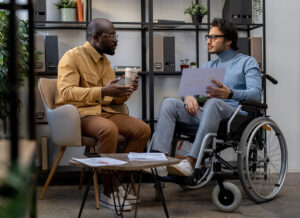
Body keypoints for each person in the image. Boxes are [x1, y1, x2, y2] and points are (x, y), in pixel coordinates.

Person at [55, 18, 151, 211]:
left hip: (105, 112)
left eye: (116, 35)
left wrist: (126, 90)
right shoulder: (71, 57)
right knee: (108, 130)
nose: (116, 40)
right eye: (112, 35)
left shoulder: (105, 62)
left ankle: (115, 182)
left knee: (143, 130)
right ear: (96, 38)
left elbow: (111, 99)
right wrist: (102, 91)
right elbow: (66, 92)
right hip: (79, 115)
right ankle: (109, 192)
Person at [149, 18, 262, 177]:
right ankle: (158, 162)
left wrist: (230, 94)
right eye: (208, 37)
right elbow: (189, 91)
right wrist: (188, 97)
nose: (209, 41)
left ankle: (191, 162)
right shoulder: (209, 66)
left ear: (228, 41)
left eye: (214, 37)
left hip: (236, 118)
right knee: (169, 103)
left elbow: (256, 94)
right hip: (209, 115)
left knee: (214, 103)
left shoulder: (247, 62)